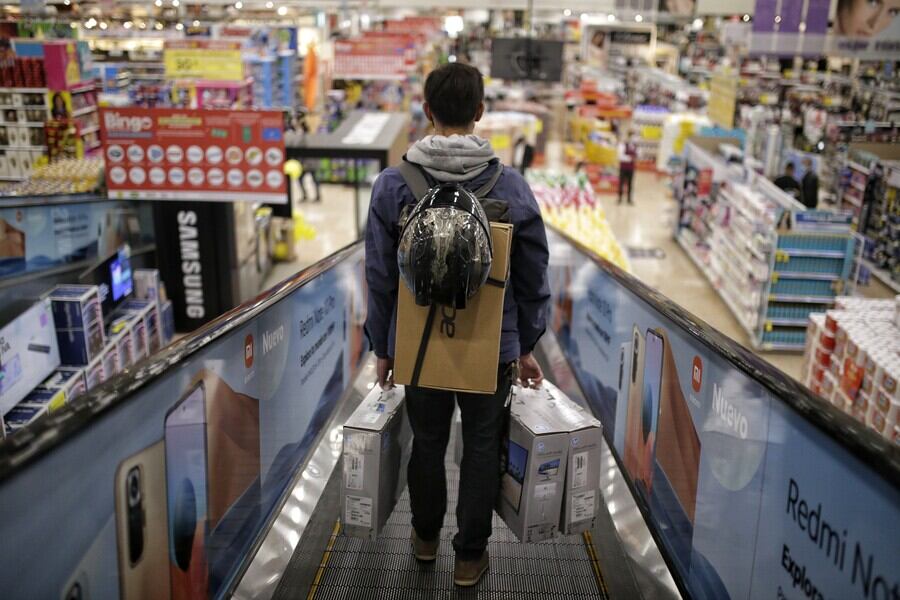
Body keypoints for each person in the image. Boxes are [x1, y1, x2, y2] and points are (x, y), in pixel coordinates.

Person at [364, 63, 550, 587]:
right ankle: (469, 557)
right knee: (482, 443)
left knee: (427, 440)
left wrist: (383, 344)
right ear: (480, 113)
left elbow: (379, 276)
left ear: (426, 113)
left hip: (419, 345)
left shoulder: (393, 186)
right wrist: (526, 342)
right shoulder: (510, 186)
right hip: (491, 346)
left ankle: (424, 539)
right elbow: (534, 272)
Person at [618, 133, 637, 205]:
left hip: (631, 168)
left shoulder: (635, 146)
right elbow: (620, 157)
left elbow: (637, 155)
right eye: (632, 136)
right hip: (623, 167)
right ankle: (620, 198)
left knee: (630, 184)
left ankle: (629, 199)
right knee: (621, 183)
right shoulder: (623, 145)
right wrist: (630, 158)